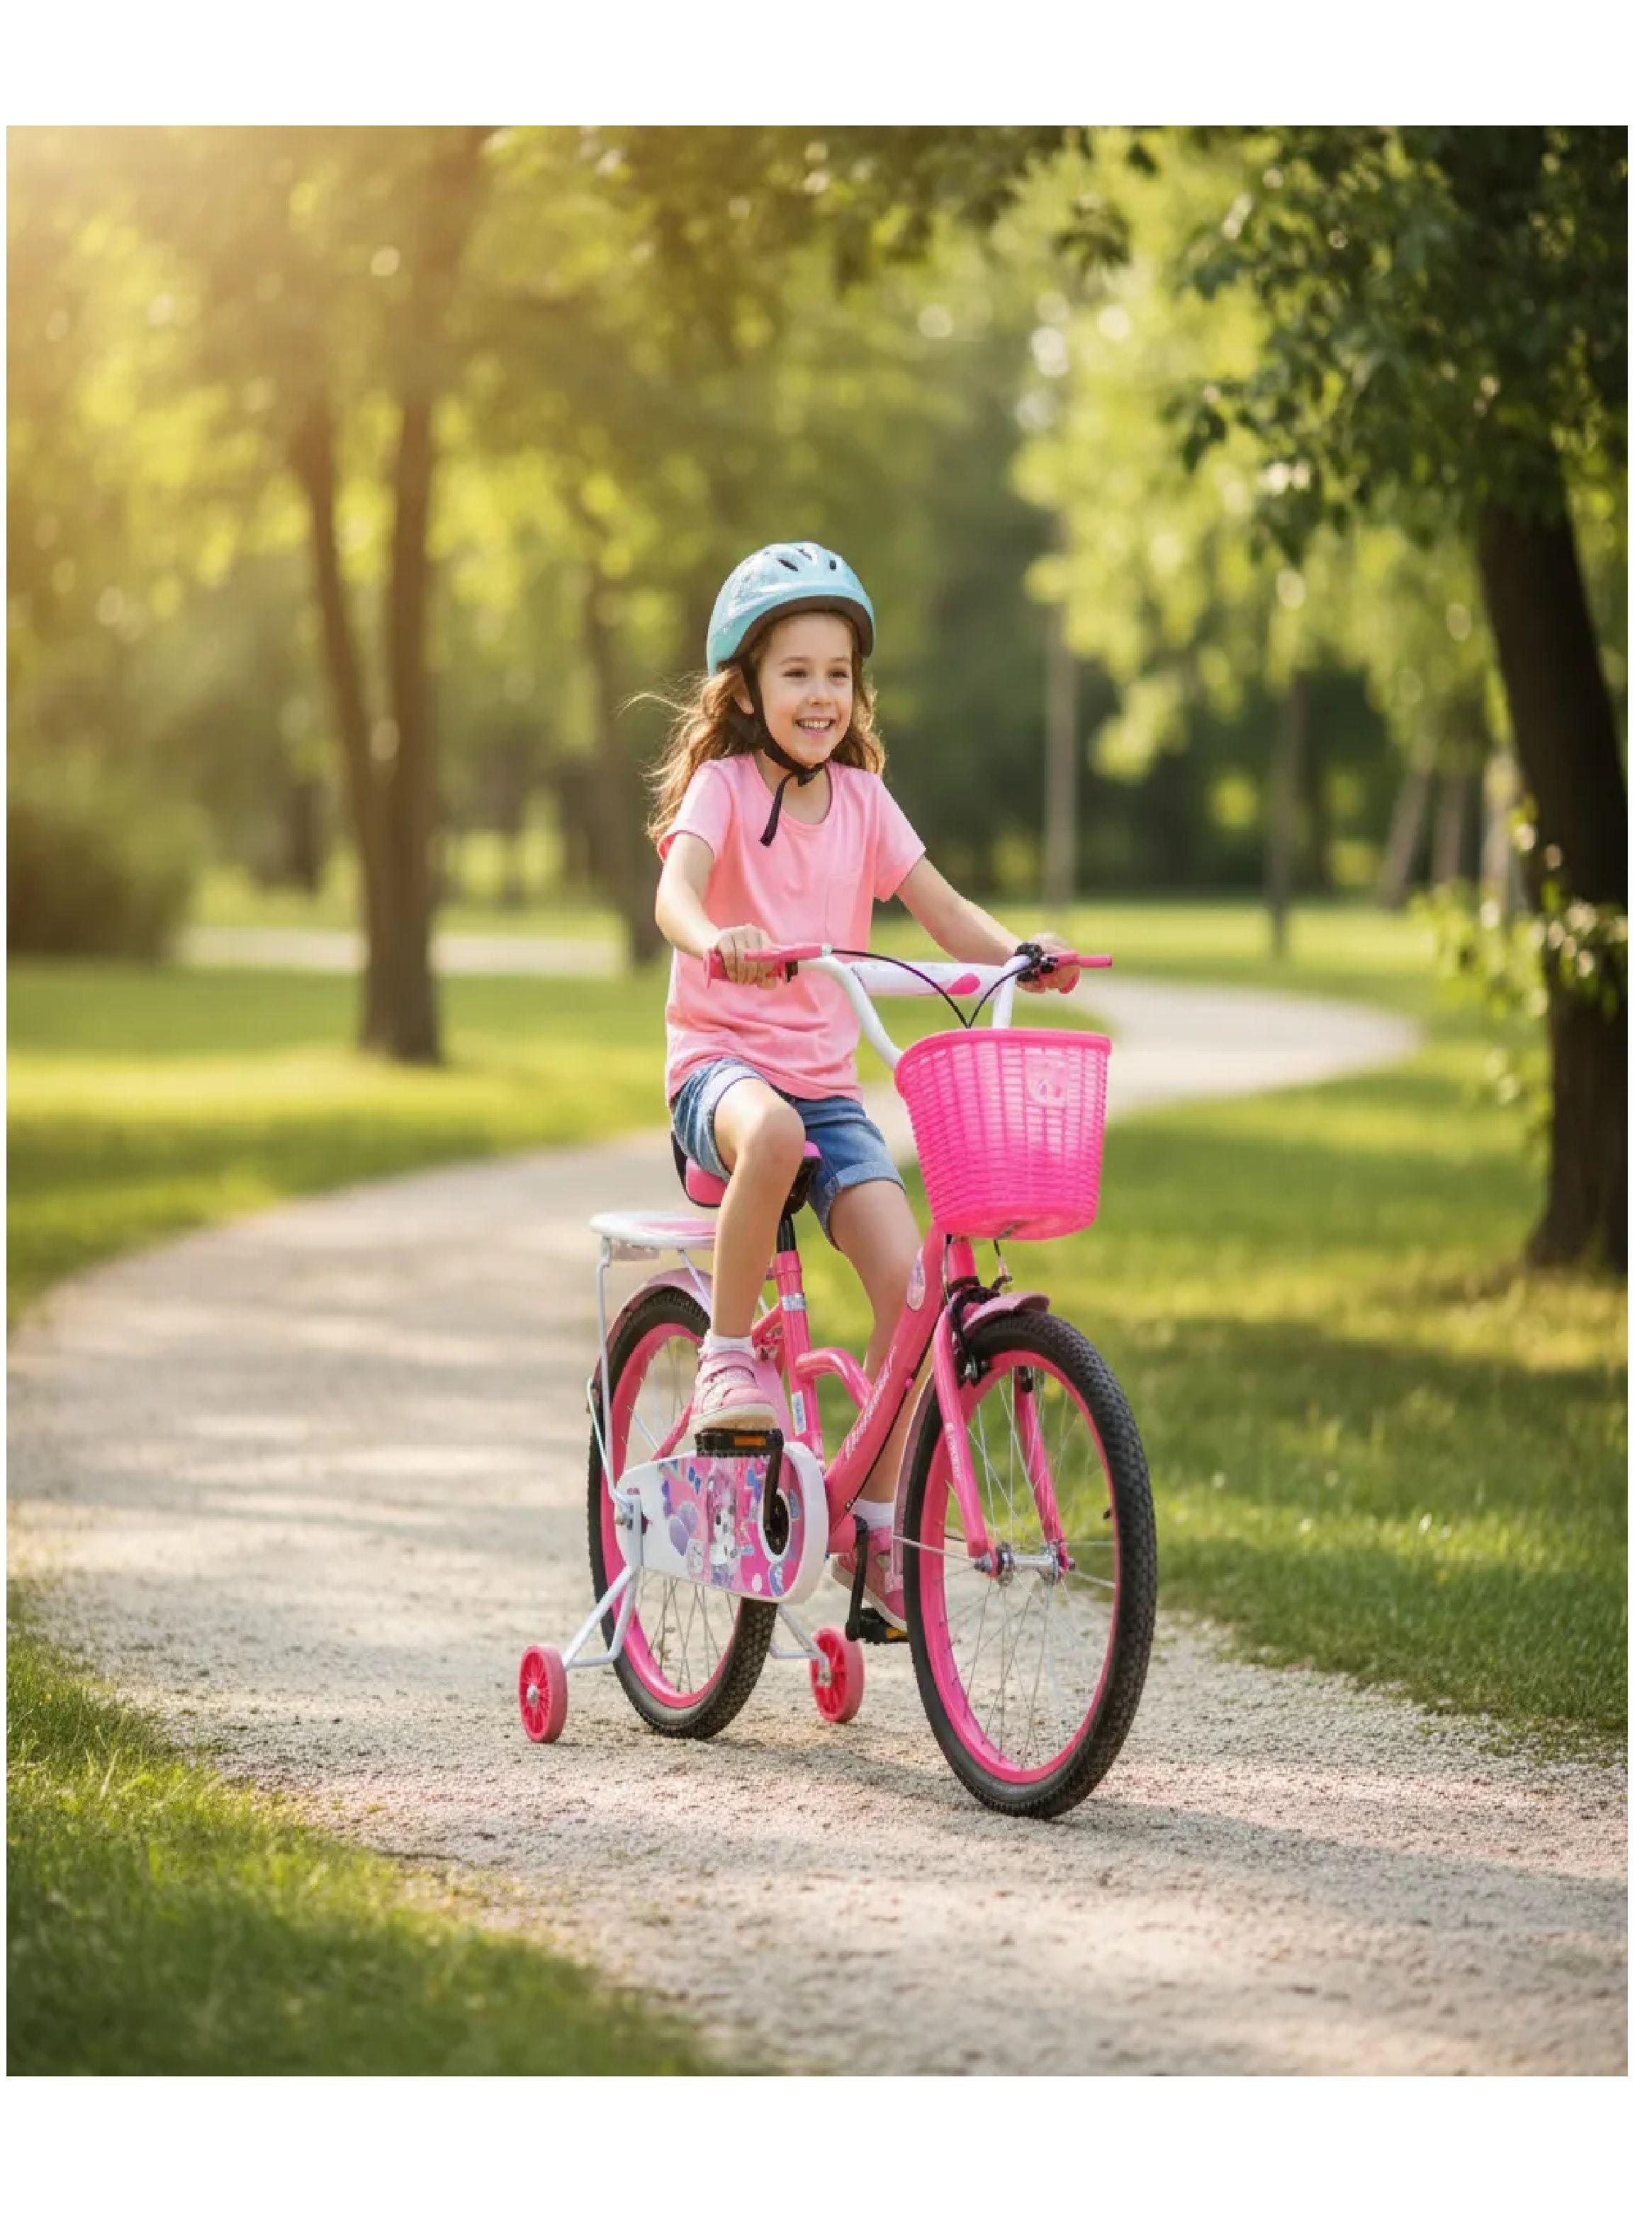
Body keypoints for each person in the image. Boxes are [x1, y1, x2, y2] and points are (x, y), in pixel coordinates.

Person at [649, 541, 1076, 1632]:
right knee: (777, 1130)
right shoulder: (724, 786)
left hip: (828, 1090)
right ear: (746, 687)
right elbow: (675, 897)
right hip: (723, 1073)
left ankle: (879, 1526)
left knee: (911, 1287)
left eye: (838, 673)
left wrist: (1017, 951)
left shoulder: (866, 802)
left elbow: (940, 909)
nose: (821, 695)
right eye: (796, 672)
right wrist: (718, 941)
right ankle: (726, 1359)